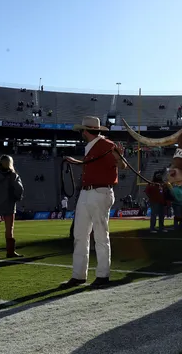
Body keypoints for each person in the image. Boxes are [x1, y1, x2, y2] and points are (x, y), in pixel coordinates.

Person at [61, 116, 126, 288]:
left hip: (100, 191)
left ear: (85, 131)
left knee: (100, 234)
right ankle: (79, 275)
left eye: (82, 130)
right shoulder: (94, 146)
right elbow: (93, 164)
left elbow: (122, 166)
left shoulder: (106, 145)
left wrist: (119, 158)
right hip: (88, 191)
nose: (81, 133)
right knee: (80, 235)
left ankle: (103, 275)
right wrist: (75, 162)